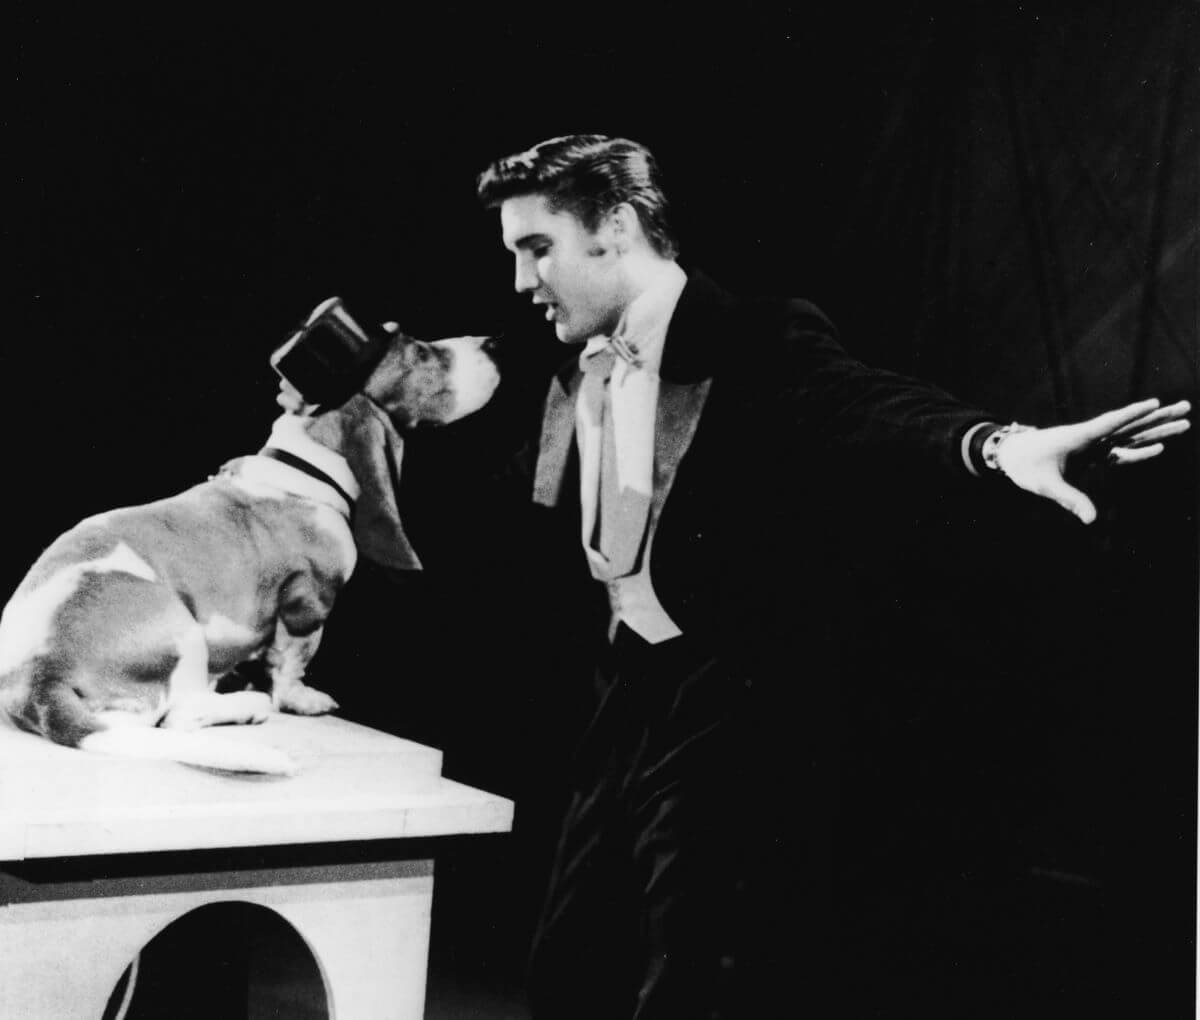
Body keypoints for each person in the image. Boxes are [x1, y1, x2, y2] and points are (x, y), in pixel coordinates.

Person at [281, 134, 1191, 1018]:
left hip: (733, 699)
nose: (522, 280)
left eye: (538, 248)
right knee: (570, 962)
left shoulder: (754, 334)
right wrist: (322, 385)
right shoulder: (558, 344)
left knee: (695, 971)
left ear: (619, 227)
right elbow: (424, 384)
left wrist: (1000, 446)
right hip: (624, 685)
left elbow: (869, 402)